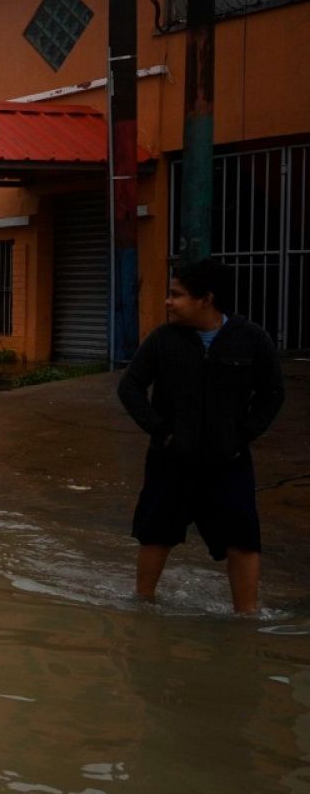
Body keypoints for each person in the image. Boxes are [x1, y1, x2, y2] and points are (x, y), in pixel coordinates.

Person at [117, 258, 284, 614]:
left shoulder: (251, 339)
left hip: (229, 463)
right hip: (171, 460)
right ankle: (143, 607)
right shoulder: (163, 340)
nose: (168, 302)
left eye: (176, 295)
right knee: (155, 534)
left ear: (205, 299)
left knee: (243, 540)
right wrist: (161, 431)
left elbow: (272, 394)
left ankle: (246, 618)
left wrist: (243, 435)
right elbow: (130, 387)